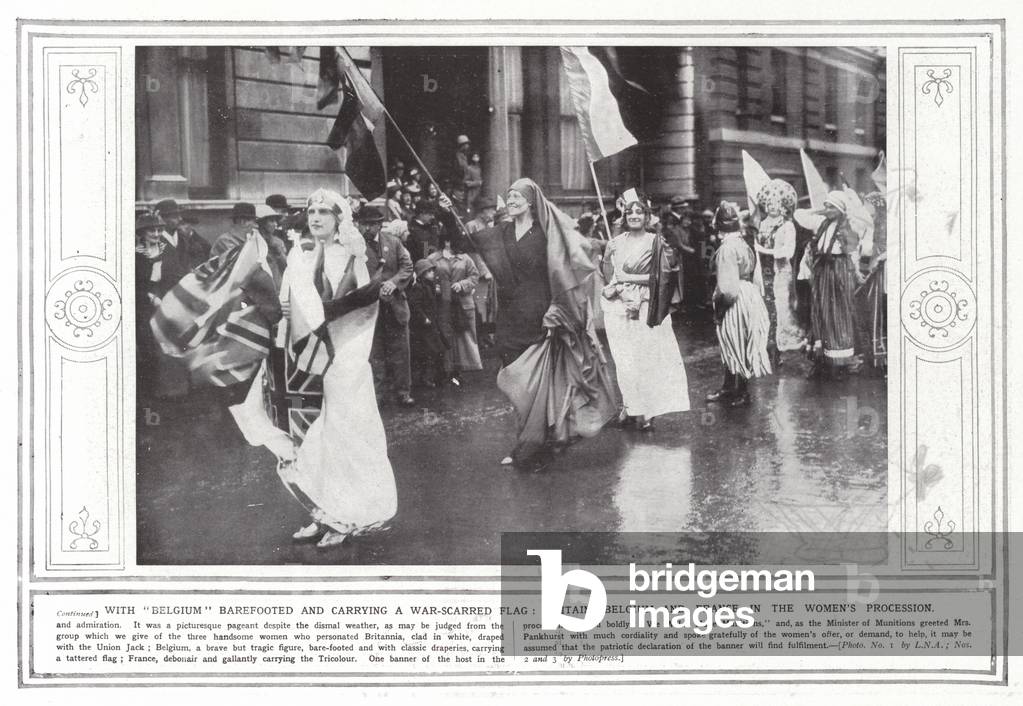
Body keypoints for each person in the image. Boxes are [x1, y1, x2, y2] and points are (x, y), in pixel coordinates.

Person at [231, 188, 397, 549]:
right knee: (308, 440)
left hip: (344, 361)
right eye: (312, 211)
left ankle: (346, 516)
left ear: (339, 219)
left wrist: (336, 352)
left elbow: (363, 311)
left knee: (342, 438)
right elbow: (289, 305)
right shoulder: (300, 254)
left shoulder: (353, 256)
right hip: (304, 360)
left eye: (325, 211)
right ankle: (321, 513)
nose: (316, 217)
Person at [441, 179, 616, 468]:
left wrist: (556, 311)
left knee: (540, 385)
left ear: (532, 201)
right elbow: (465, 242)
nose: (511, 199)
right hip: (509, 318)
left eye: (517, 196)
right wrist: (448, 215)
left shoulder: (547, 234)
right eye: (509, 195)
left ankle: (534, 446)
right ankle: (530, 440)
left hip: (541, 315)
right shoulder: (502, 231)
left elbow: (564, 273)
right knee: (517, 382)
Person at [601, 199, 690, 430]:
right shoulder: (616, 242)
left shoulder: (655, 242)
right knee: (624, 360)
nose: (634, 215)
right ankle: (631, 409)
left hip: (647, 307)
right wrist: (605, 257)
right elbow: (609, 275)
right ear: (624, 217)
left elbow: (661, 276)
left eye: (639, 212)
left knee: (647, 359)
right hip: (620, 307)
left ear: (646, 217)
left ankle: (649, 413)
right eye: (629, 212)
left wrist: (629, 279)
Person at [706, 201, 772, 407]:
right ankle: (730, 387)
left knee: (734, 341)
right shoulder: (743, 242)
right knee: (738, 341)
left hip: (735, 296)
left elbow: (728, 289)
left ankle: (741, 392)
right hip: (748, 293)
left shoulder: (727, 248)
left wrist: (721, 308)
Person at [796, 191, 863, 379]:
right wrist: (819, 210)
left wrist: (854, 275)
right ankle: (822, 361)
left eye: (831, 207)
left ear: (841, 209)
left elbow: (853, 255)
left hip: (839, 274)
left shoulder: (848, 228)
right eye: (826, 205)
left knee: (838, 316)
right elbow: (798, 215)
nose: (827, 210)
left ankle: (840, 364)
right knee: (820, 314)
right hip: (822, 273)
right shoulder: (821, 223)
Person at [358, 205, 416, 406]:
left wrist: (393, 282)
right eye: (362, 224)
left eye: (370, 225)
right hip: (369, 307)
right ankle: (378, 394)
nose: (365, 229)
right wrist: (373, 288)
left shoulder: (394, 242)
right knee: (375, 351)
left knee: (401, 350)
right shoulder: (354, 247)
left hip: (395, 305)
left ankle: (403, 391)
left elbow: (407, 266)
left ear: (379, 225)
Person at [754, 179, 805, 364]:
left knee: (781, 310)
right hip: (763, 272)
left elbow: (787, 252)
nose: (772, 206)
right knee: (765, 309)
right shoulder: (762, 224)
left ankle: (781, 350)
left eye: (776, 203)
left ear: (783, 205)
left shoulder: (787, 225)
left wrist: (763, 250)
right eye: (768, 203)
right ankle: (767, 348)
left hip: (780, 272)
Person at [426, 229, 482, 385]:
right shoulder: (433, 258)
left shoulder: (465, 258)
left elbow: (474, 276)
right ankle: (446, 370)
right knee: (445, 336)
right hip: (442, 304)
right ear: (445, 241)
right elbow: (426, 276)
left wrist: (462, 284)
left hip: (463, 303)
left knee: (463, 337)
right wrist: (435, 286)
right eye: (451, 241)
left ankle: (460, 370)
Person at [856, 191, 887, 374]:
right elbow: (865, 249)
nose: (866, 208)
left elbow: (885, 248)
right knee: (868, 312)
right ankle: (871, 356)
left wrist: (876, 260)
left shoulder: (884, 226)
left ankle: (880, 357)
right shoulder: (870, 224)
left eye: (868, 204)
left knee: (877, 312)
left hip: (881, 273)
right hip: (870, 271)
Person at [464, 196, 499, 348]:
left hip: (492, 268)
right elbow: (472, 252)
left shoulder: (489, 226)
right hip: (479, 272)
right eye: (491, 210)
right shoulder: (472, 226)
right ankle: (479, 337)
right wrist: (484, 270)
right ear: (482, 212)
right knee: (480, 304)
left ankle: (488, 336)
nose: (493, 214)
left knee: (490, 304)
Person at [408, 259, 448, 388]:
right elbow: (415, 305)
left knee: (437, 350)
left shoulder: (430, 286)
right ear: (422, 273)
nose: (432, 273)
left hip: (431, 324)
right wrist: (423, 318)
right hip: (423, 326)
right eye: (429, 271)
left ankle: (436, 377)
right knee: (428, 352)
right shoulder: (418, 287)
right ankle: (426, 379)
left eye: (432, 270)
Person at [153, 198, 211, 282]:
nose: (180, 219)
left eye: (179, 215)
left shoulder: (184, 238)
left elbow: (198, 260)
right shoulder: (155, 241)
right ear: (162, 219)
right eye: (175, 217)